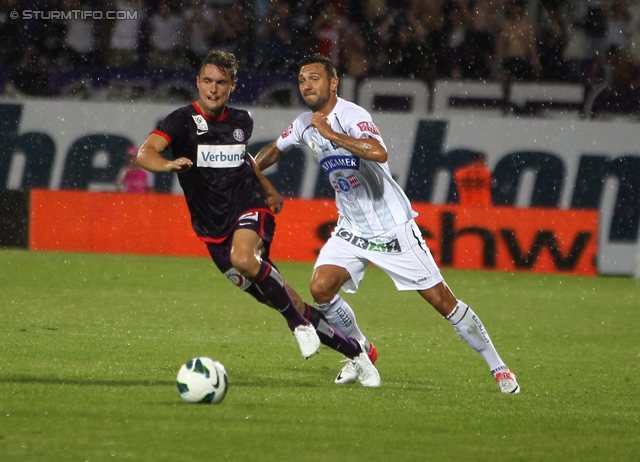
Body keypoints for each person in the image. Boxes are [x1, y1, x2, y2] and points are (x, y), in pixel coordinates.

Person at [255, 53, 520, 393]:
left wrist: (331, 135)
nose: (307, 84)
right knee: (321, 287)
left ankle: (499, 368)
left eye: (315, 78)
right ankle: (362, 351)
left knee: (442, 301)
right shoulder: (304, 123)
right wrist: (251, 169)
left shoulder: (351, 115)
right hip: (352, 228)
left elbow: (379, 153)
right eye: (302, 79)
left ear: (333, 83)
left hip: (391, 226)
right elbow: (275, 149)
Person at [134, 50, 379, 386]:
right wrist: (168, 165)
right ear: (198, 83)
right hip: (212, 229)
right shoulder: (180, 121)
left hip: (249, 206)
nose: (213, 89)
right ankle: (357, 352)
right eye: (207, 81)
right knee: (284, 299)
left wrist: (266, 188)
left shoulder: (241, 120)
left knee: (244, 257)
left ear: (232, 86)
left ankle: (298, 325)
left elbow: (242, 160)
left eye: (221, 82)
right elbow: (146, 153)